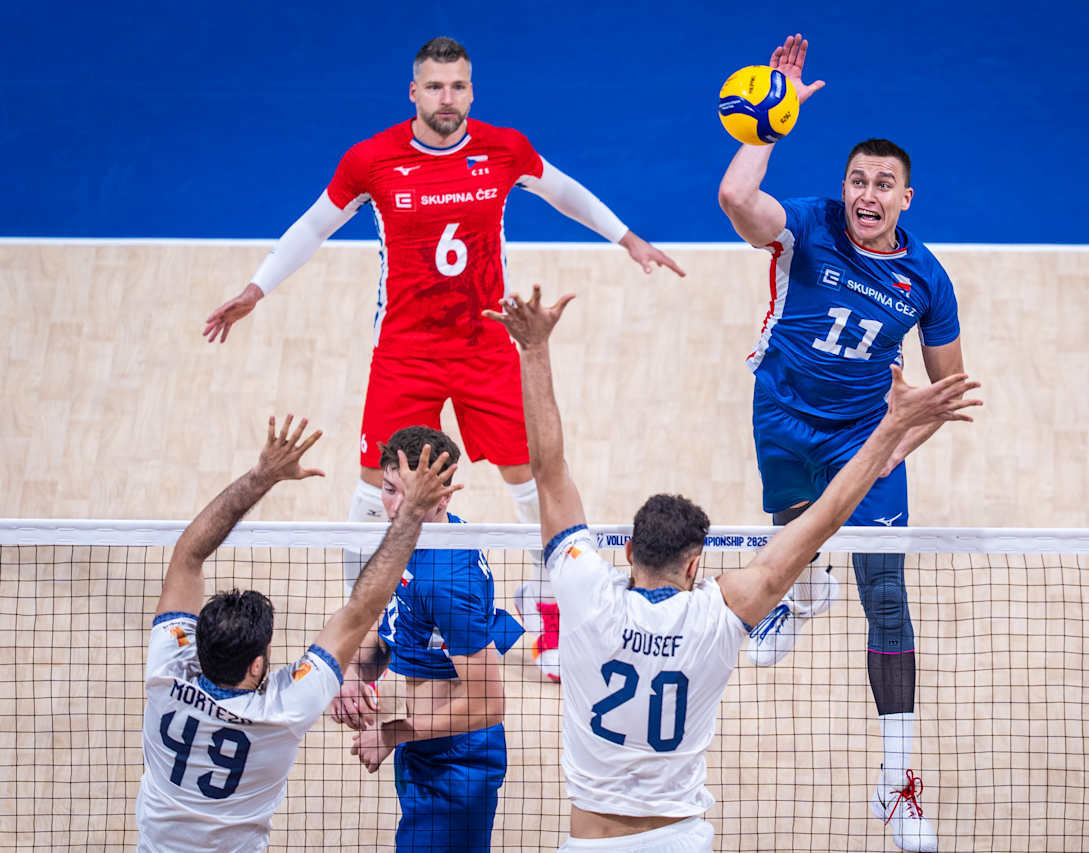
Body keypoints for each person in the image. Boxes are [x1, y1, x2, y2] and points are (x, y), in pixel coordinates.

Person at [202, 36, 685, 682]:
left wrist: (628, 238)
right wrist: (255, 288)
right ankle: (361, 622)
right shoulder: (372, 160)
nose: (447, 98)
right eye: (434, 86)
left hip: (486, 344)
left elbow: (563, 190)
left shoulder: (502, 148)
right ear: (413, 92)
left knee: (533, 479)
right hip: (406, 350)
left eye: (458, 86)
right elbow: (313, 225)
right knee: (375, 491)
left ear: (472, 91)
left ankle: (555, 613)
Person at [483, 286, 978, 853]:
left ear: (626, 552)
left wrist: (534, 349)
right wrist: (887, 432)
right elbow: (823, 520)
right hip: (680, 841)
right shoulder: (716, 617)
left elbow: (548, 472)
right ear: (695, 563)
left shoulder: (583, 591)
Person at [716, 33, 965, 852]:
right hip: (782, 413)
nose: (866, 193)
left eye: (883, 185)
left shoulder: (926, 279)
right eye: (858, 179)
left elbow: (944, 389)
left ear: (906, 198)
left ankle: (896, 787)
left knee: (886, 595)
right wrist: (769, 122)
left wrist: (900, 445)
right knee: (791, 530)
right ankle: (798, 589)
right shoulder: (808, 228)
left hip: (864, 438)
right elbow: (733, 198)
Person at [136, 415, 460, 852]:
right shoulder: (283, 709)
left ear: (196, 645)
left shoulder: (165, 672)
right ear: (256, 665)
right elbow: (362, 607)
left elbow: (186, 555)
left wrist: (260, 475)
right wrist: (413, 515)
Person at [328, 425, 523, 853]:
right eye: (389, 489)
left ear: (445, 495)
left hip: (456, 764)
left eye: (411, 494)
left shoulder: (447, 580)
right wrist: (353, 672)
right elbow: (396, 626)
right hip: (424, 746)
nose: (397, 506)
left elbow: (488, 705)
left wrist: (392, 734)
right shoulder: (417, 537)